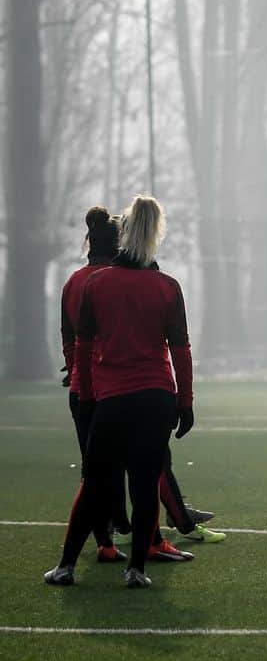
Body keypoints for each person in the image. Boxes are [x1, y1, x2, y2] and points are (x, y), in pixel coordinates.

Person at [45, 195, 195, 589]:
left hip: (112, 398)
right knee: (145, 485)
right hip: (157, 396)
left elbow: (81, 344)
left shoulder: (96, 283)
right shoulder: (167, 286)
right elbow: (180, 350)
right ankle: (136, 571)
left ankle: (66, 567)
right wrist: (185, 402)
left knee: (95, 481)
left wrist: (88, 395)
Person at [59, 208, 127, 564]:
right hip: (113, 388)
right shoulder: (114, 281)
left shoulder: (74, 281)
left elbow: (68, 334)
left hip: (80, 389)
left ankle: (106, 540)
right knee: (130, 465)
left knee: (92, 468)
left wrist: (73, 368)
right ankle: (133, 529)